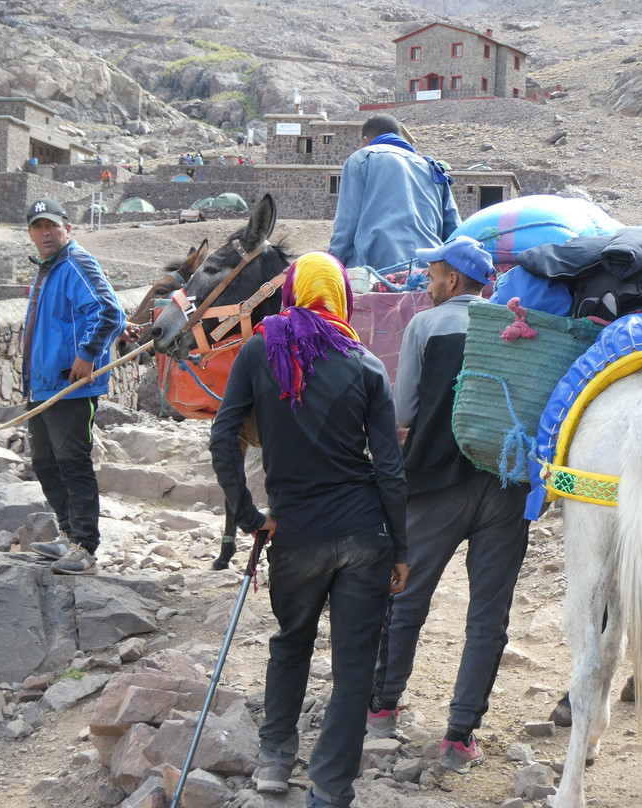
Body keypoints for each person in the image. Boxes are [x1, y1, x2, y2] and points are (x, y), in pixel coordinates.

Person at [209, 252, 408, 808]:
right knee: (353, 667)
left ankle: (274, 760)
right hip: (366, 535)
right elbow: (389, 468)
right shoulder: (366, 363)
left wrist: (251, 518)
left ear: (292, 293)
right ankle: (329, 788)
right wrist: (402, 548)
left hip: (294, 534)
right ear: (342, 296)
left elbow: (223, 438)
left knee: (291, 642)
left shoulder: (258, 351)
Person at [368, 235, 530, 774]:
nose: (428, 283)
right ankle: (459, 738)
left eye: (433, 275)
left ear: (453, 280)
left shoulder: (425, 326)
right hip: (505, 488)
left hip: (434, 484)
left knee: (405, 601)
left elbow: (405, 408)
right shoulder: (515, 326)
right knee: (487, 615)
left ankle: (382, 707)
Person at [20, 198, 134, 575]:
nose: (46, 232)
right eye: (38, 226)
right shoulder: (49, 268)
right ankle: (69, 536)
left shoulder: (74, 262)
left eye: (52, 225)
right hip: (44, 387)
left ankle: (84, 546)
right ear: (31, 233)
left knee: (72, 464)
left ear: (67, 228)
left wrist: (87, 353)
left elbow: (108, 310)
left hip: (71, 386)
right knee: (45, 463)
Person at [328, 114, 460, 273]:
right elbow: (455, 232)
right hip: (429, 274)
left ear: (366, 140)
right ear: (399, 136)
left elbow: (347, 223)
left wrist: (333, 265)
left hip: (377, 271)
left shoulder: (363, 159)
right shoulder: (432, 168)